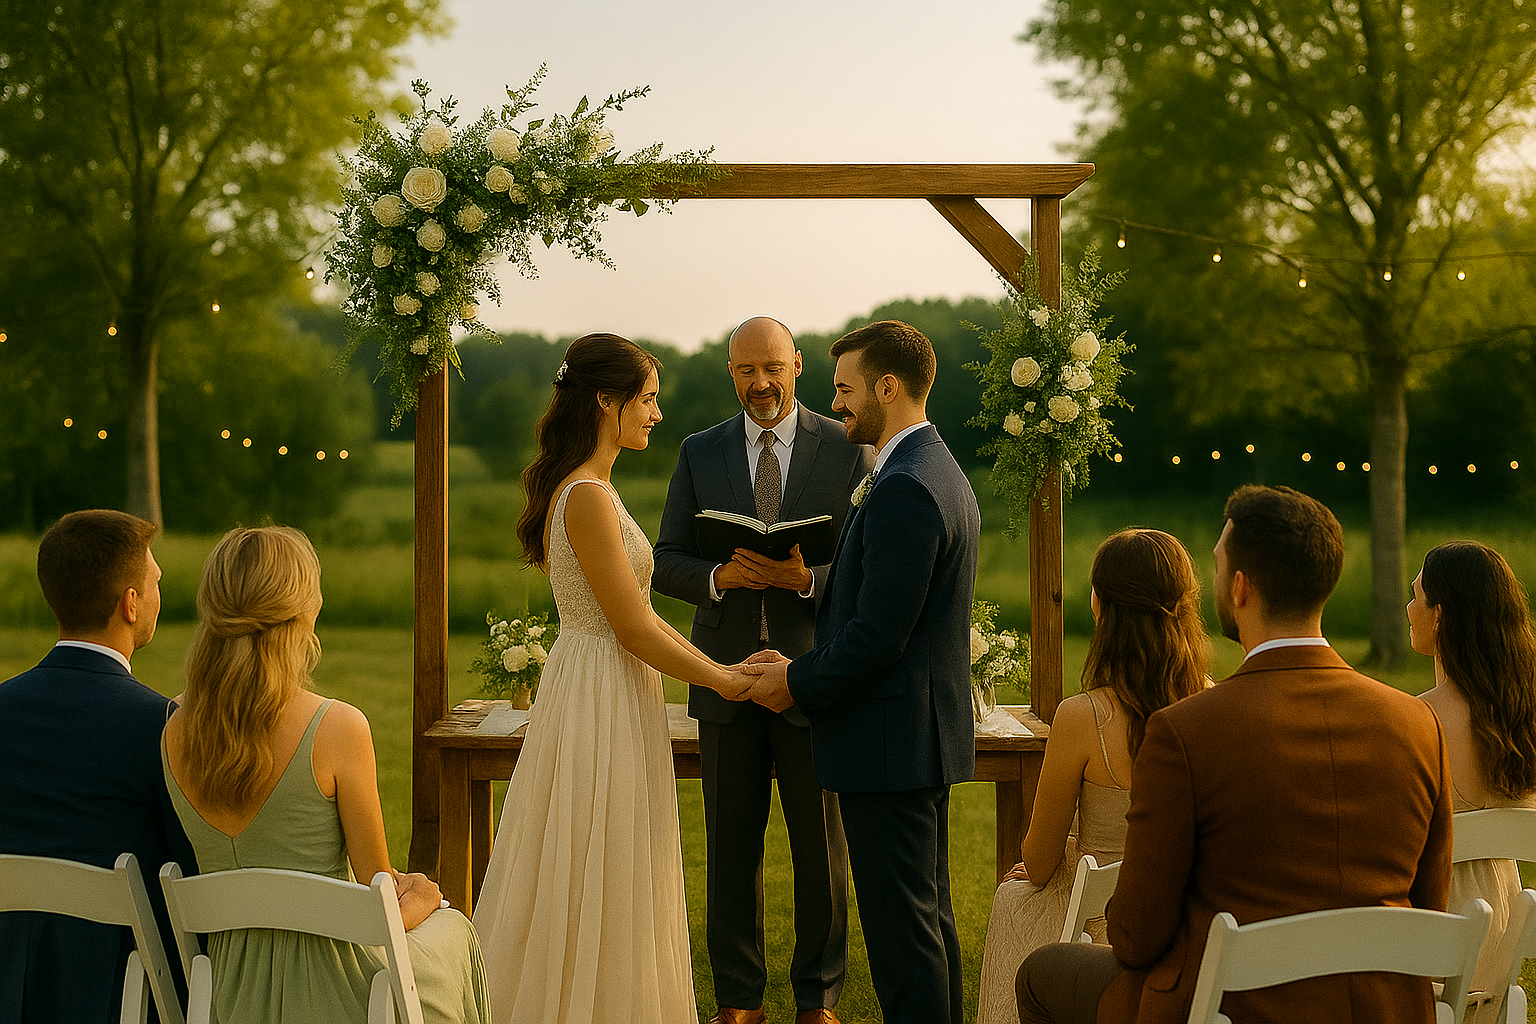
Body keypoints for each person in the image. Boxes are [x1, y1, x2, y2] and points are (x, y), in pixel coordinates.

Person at [1015, 484, 1454, 1024]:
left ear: (1240, 588)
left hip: (1232, 1006)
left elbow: (1134, 937)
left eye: (1219, 566)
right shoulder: (1417, 725)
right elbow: (1431, 911)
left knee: (1040, 976)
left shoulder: (1185, 732)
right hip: (1381, 1010)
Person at [472, 333, 756, 1024]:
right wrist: (722, 680)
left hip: (613, 684)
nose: (657, 414)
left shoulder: (595, 488)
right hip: (597, 689)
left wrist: (721, 672)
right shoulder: (588, 497)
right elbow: (631, 628)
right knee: (592, 854)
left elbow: (646, 620)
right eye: (649, 399)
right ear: (607, 400)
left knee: (616, 857)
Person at [745, 320, 981, 1024]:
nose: (836, 403)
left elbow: (879, 636)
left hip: (891, 744)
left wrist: (796, 679)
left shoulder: (908, 485)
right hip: (914, 738)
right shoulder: (929, 466)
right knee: (927, 921)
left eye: (845, 389)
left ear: (887, 386)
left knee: (904, 939)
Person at [160, 526, 491, 1024]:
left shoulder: (173, 730)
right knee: (454, 930)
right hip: (340, 994)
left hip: (230, 993)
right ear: (303, 611)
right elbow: (379, 894)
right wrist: (426, 895)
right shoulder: (336, 727)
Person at [653, 316, 873, 1024]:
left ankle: (818, 1001)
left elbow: (872, 561)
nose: (762, 383)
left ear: (798, 365)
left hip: (815, 680)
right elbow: (664, 559)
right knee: (731, 854)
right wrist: (721, 573)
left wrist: (809, 580)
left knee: (822, 855)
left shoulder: (846, 448)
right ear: (731, 372)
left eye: (773, 367)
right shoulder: (698, 450)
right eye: (747, 371)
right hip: (725, 682)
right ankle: (739, 1003)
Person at [976, 528, 1208, 1024]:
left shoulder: (1083, 716)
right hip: (1189, 920)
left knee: (1015, 898)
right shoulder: (1211, 703)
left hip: (1102, 926)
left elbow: (1037, 861)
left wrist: (1064, 854)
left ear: (1102, 608)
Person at [0, 508, 196, 1024]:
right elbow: (187, 866)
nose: (159, 590)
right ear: (130, 604)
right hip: (124, 990)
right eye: (154, 581)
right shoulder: (159, 724)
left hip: (10, 983)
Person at [1411, 541, 1536, 1023]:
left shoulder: (1420, 720)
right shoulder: (1520, 718)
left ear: (1439, 615)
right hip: (1504, 939)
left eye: (1415, 595)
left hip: (1436, 946)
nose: (1408, 607)